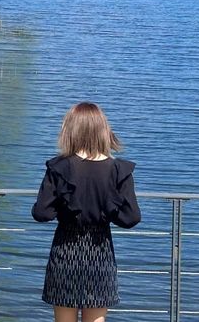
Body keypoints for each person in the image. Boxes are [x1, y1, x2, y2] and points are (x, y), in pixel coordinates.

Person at [31, 102, 141, 322]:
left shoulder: (59, 167)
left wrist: (62, 203)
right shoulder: (119, 169)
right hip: (100, 253)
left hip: (65, 251)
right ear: (103, 130)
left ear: (71, 130)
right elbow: (131, 218)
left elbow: (42, 213)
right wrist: (108, 208)